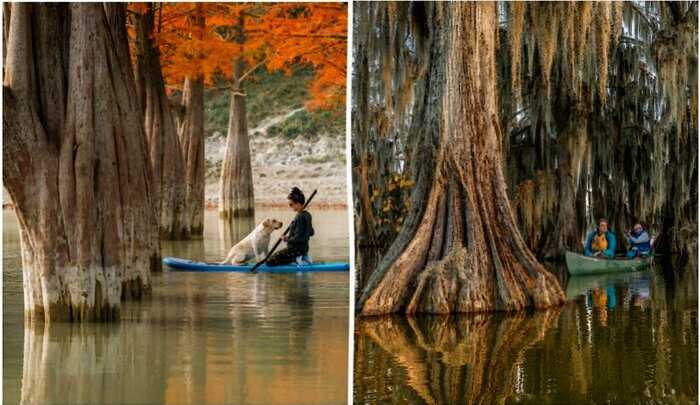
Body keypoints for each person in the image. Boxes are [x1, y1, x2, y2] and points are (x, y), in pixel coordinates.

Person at [266, 187, 315, 266]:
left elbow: (298, 238)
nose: (290, 206)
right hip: (304, 249)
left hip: (294, 250)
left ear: (298, 204)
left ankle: (296, 260)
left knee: (269, 261)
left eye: (291, 204)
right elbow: (312, 232)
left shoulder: (299, 217)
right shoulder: (307, 215)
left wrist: (286, 238)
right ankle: (301, 258)